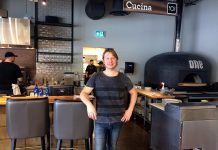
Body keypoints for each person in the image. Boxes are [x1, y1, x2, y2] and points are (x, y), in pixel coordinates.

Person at [80, 48, 137, 150]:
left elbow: (134, 93)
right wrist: (89, 105)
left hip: (118, 120)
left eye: (113, 58)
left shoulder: (123, 78)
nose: (110, 61)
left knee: (112, 147)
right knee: (99, 148)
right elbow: (83, 93)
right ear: (103, 60)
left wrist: (130, 110)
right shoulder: (96, 77)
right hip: (100, 120)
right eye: (107, 58)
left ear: (116, 60)